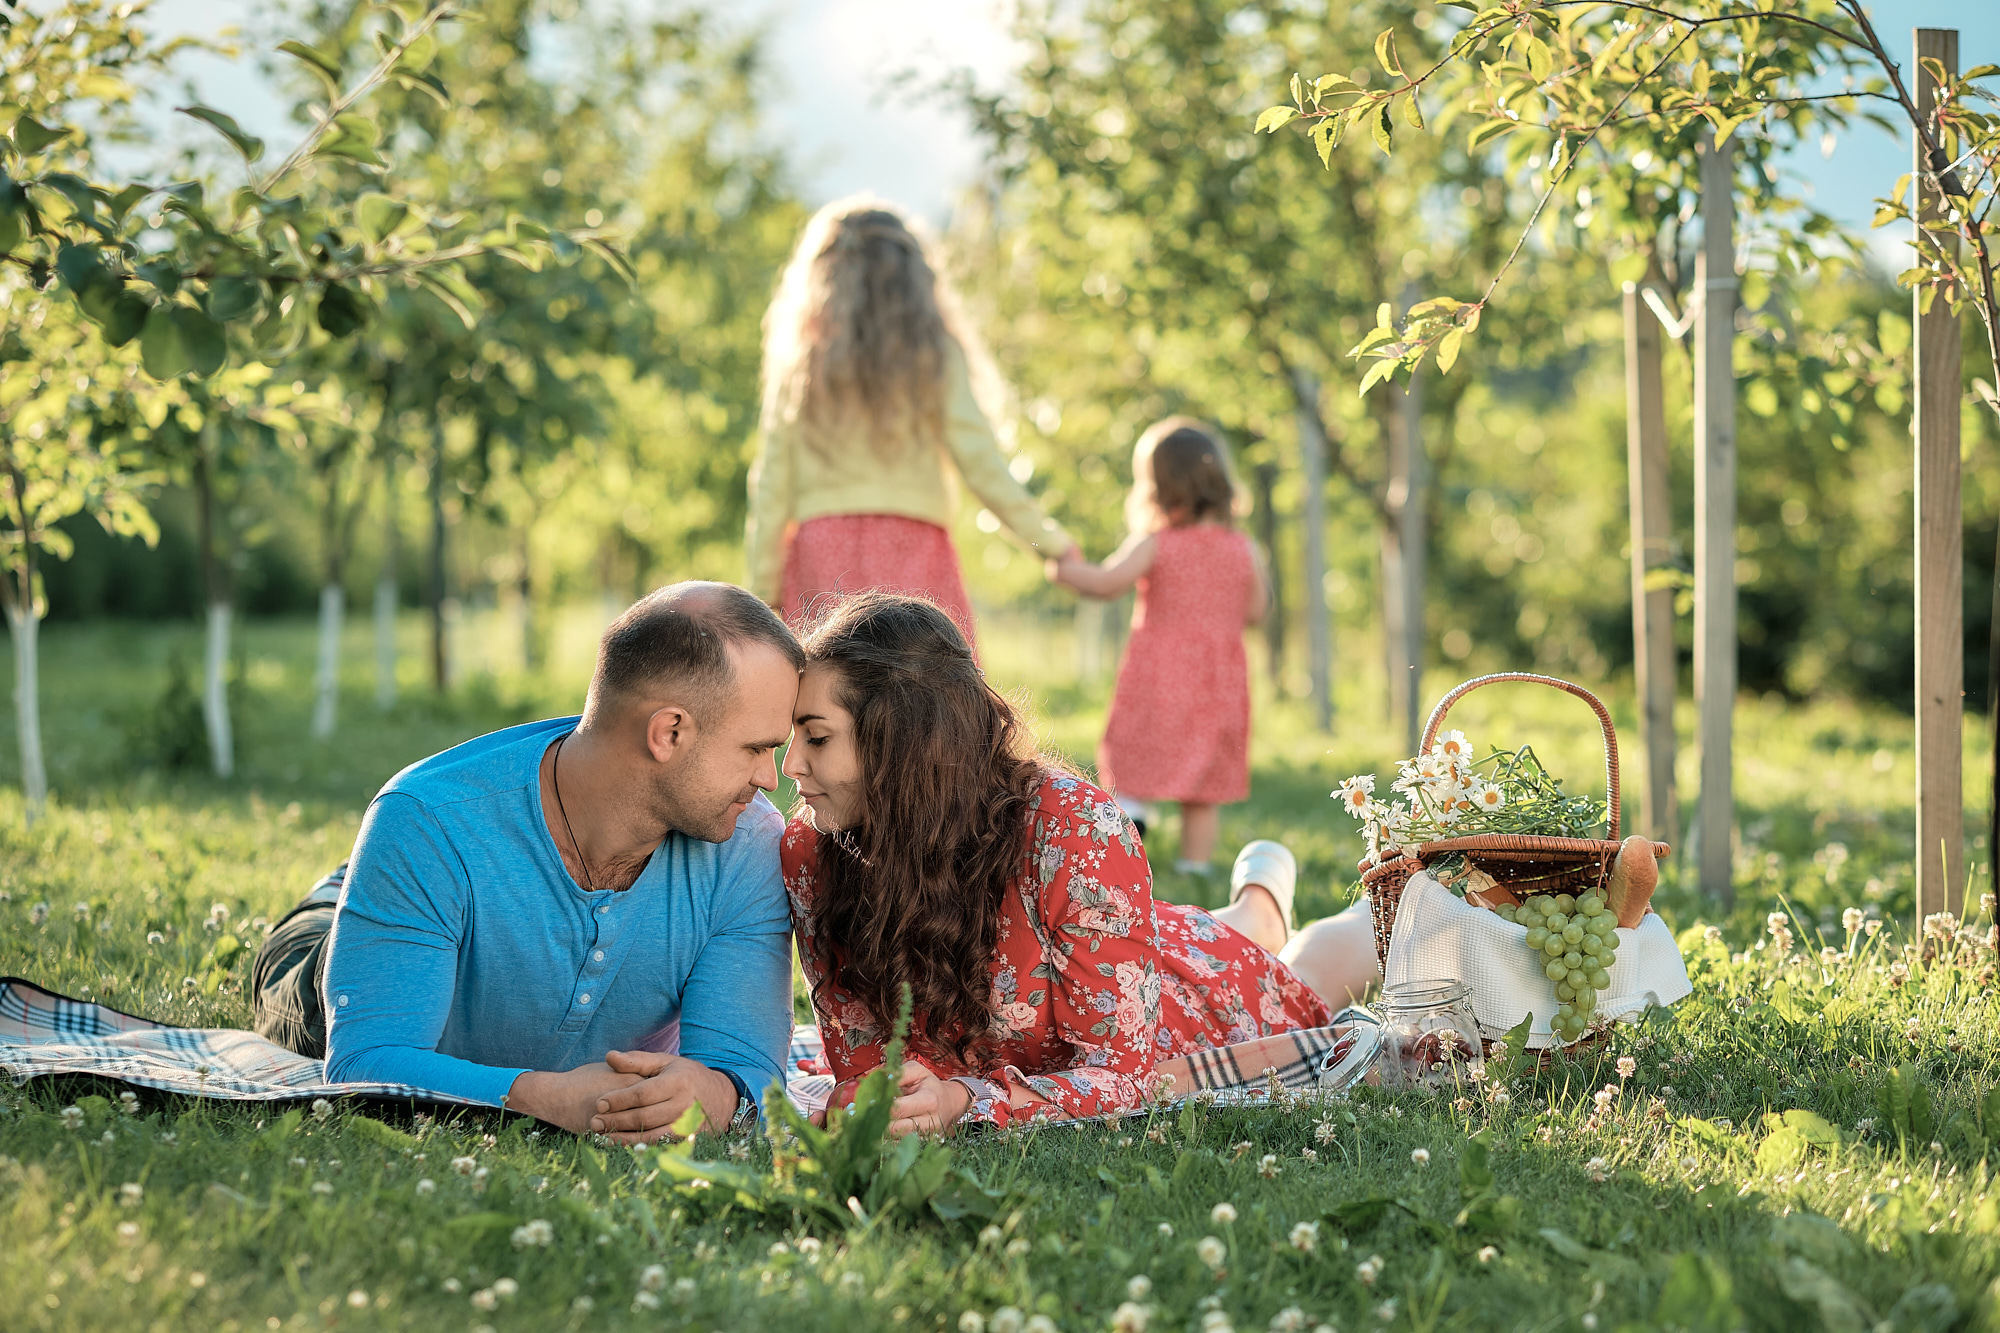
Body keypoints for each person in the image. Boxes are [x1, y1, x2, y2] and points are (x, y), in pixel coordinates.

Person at [777, 593, 1378, 1134]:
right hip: (1133, 941)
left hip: (1186, 1006)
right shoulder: (811, 851)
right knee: (1217, 927)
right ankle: (1258, 897)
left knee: (1308, 965)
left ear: (903, 741)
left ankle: (1345, 900)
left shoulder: (1073, 828)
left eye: (818, 738)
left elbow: (1123, 1075)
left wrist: (966, 1101)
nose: (791, 767)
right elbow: (864, 1065)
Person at [249, 582, 802, 1143]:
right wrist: (544, 1098)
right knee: (311, 961)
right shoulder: (426, 819)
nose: (768, 779)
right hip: (316, 973)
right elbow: (366, 1062)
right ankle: (343, 889)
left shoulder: (749, 840)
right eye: (756, 749)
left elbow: (747, 1071)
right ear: (669, 732)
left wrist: (717, 1095)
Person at [745, 196, 1076, 647]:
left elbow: (771, 486)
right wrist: (1051, 544)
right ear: (915, 279)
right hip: (913, 546)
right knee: (926, 697)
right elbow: (982, 464)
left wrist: (764, 595)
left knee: (829, 698)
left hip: (822, 549)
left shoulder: (804, 363)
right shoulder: (933, 355)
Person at [1048, 417, 1265, 874]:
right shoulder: (1243, 549)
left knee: (1133, 758)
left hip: (1159, 675)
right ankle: (1195, 868)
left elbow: (1107, 583)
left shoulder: (1158, 544)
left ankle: (1128, 845)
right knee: (1203, 787)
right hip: (1215, 680)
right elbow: (1256, 610)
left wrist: (1064, 568)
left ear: (1159, 489)